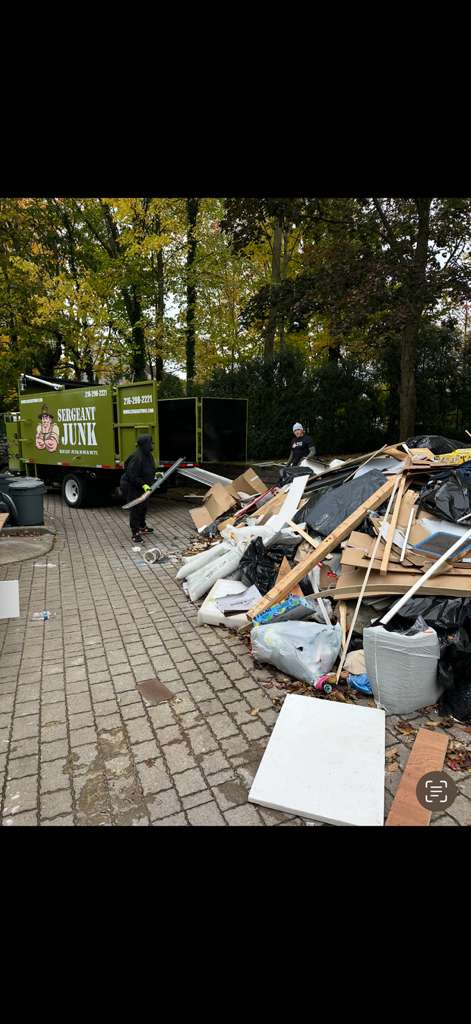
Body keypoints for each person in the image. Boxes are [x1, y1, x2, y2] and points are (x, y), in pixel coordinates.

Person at [120, 435, 157, 543]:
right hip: (131, 485)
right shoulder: (137, 457)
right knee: (136, 509)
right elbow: (132, 475)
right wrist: (143, 485)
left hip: (142, 486)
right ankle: (135, 533)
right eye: (150, 443)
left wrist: (155, 475)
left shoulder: (147, 455)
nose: (152, 445)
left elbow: (148, 469)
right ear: (144, 444)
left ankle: (142, 526)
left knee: (144, 506)